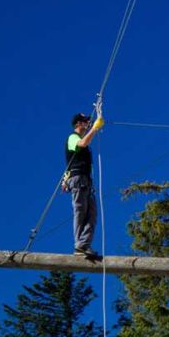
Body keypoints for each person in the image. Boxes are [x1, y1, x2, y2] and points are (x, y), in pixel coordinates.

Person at [64, 109, 105, 259]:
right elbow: (82, 143)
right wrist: (94, 128)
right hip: (78, 179)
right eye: (86, 121)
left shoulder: (81, 142)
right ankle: (80, 245)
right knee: (80, 211)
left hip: (85, 181)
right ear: (78, 123)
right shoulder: (72, 137)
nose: (88, 123)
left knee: (92, 214)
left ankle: (83, 244)